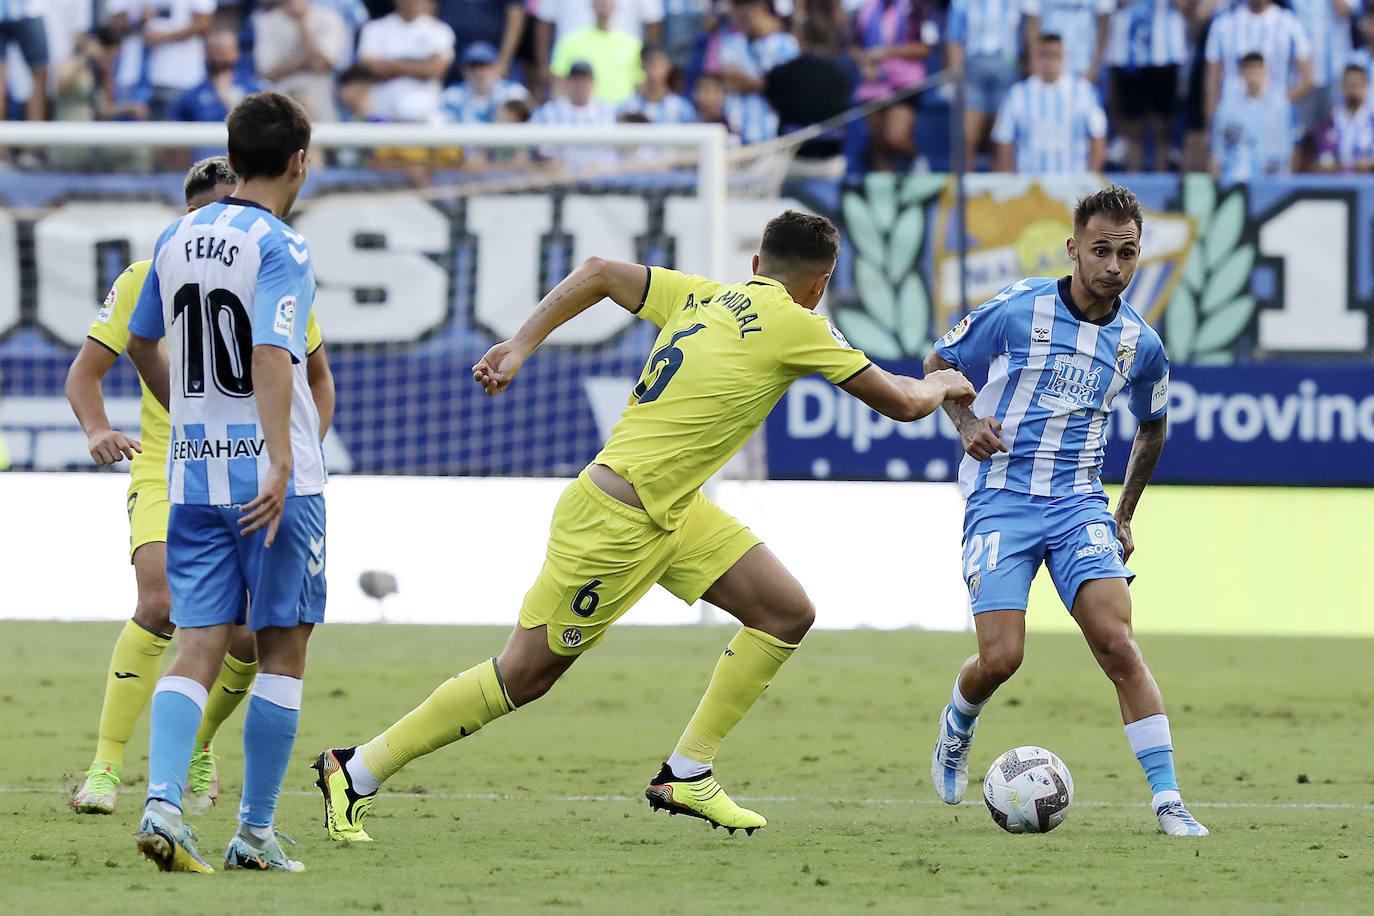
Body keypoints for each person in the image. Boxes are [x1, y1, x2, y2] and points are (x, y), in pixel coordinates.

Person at [311, 210, 976, 843]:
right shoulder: (798, 323)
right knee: (524, 675)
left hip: (673, 507)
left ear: (754, 263)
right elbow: (902, 401)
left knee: (784, 611)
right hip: (617, 523)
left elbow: (599, 270)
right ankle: (355, 770)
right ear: (819, 285)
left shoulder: (703, 295)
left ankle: (687, 772)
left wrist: (520, 343)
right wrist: (946, 384)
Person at [924, 184, 1210, 839]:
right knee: (1001, 658)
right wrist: (965, 420)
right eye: (1102, 251)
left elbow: (1153, 427)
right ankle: (956, 725)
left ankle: (1169, 801)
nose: (1115, 266)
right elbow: (939, 362)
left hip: (1079, 504)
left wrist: (1125, 512)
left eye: (1128, 253)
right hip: (1001, 496)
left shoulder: (1141, 343)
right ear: (1074, 249)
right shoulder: (1019, 308)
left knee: (1118, 645)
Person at [67, 156, 330, 818]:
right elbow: (92, 368)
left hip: (261, 468)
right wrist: (100, 427)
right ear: (191, 215)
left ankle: (200, 745)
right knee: (161, 601)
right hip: (171, 462)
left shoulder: (273, 269)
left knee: (246, 637)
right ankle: (105, 765)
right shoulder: (148, 272)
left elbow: (317, 376)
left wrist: (295, 455)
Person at [125, 91, 328, 873]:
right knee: (282, 646)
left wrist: (188, 409)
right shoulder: (284, 246)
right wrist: (278, 460)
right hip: (277, 485)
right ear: (298, 162)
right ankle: (254, 830)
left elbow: (142, 342)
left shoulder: (176, 236)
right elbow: (273, 355)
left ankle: (164, 805)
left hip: (194, 473)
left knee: (198, 640)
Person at [992, 33, 1108, 173]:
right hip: (1030, 187)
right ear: (1035, 57)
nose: (1049, 61)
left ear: (1064, 57)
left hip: (1074, 186)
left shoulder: (1085, 93)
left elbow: (1098, 137)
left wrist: (1091, 181)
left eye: (1054, 55)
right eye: (1044, 55)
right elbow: (1004, 141)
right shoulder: (1017, 95)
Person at [852, 0, 939, 172]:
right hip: (873, 85)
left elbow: (925, 48)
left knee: (895, 137)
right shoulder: (866, 8)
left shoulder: (916, 7)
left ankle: (918, 164)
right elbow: (854, 46)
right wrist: (865, 63)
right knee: (878, 145)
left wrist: (885, 52)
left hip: (906, 82)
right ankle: (883, 194)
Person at [1107, 0, 1191, 172]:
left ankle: (1160, 187)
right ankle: (1130, 193)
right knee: (1132, 132)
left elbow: (1186, 8)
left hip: (1165, 56)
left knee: (1163, 132)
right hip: (1128, 55)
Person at [1204, 0, 1313, 129]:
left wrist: (1278, 105)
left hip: (1274, 120)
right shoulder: (1223, 23)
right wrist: (1211, 122)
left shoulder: (1290, 23)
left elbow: (1307, 79)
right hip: (1232, 118)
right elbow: (1212, 80)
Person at [944, 0, 1023, 171]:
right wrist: (956, 76)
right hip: (973, 69)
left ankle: (1001, 191)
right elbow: (953, 39)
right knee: (968, 134)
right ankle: (962, 193)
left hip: (1008, 69)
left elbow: (1029, 30)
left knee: (1003, 137)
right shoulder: (961, 3)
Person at [357, 0, 456, 122]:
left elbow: (436, 69)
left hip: (425, 117)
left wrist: (390, 65)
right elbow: (370, 69)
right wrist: (418, 65)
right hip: (382, 115)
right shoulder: (374, 29)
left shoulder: (440, 30)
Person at [715, 0, 800, 144]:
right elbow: (729, 81)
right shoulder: (731, 42)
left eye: (744, 7)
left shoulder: (786, 44)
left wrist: (764, 84)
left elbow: (784, 88)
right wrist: (765, 83)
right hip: (736, 134)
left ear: (760, 9)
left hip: (771, 133)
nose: (739, 14)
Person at [254, 0, 349, 123]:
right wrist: (306, 62)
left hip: (321, 104)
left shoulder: (329, 18)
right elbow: (267, 72)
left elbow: (324, 63)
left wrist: (302, 23)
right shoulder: (265, 22)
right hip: (282, 105)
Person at [1210, 52, 1297, 182]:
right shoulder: (1226, 110)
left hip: (1270, 178)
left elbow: (1291, 149)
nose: (1253, 74)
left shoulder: (1281, 109)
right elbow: (1217, 152)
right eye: (1248, 68)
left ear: (1265, 71)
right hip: (1234, 178)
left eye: (1257, 68)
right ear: (1241, 72)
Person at [531, 60, 620, 171]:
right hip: (558, 181)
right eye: (575, 79)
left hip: (601, 180)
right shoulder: (548, 112)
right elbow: (537, 153)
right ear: (567, 82)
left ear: (593, 81)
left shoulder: (609, 112)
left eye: (584, 79)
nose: (580, 83)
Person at [550, 0, 644, 103]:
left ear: (615, 5)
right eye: (600, 2)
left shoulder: (633, 45)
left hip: (623, 113)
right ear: (592, 4)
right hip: (583, 113)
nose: (604, 5)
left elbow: (640, 85)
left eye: (608, 2)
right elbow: (558, 85)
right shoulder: (569, 42)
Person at [1021, 0, 1112, 82]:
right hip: (1048, 63)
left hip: (1083, 65)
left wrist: (1095, 67)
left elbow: (1104, 23)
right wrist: (1035, 63)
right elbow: (1032, 21)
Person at [440, 41, 530, 123]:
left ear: (497, 68)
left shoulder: (514, 92)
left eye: (484, 66)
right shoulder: (451, 95)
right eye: (473, 67)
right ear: (464, 70)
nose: (479, 72)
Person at [1313, 63, 1374, 172]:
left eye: (1356, 85)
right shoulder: (1328, 124)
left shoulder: (1371, 123)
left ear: (1366, 86)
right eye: (1348, 85)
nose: (1352, 90)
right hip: (1336, 186)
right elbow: (1321, 163)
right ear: (1341, 87)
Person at [0, 0, 51, 121]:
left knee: (39, 76)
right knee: (38, 76)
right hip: (29, 10)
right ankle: (34, 135)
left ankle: (33, 135)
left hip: (28, 10)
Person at [621, 44, 696, 123]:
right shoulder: (628, 107)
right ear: (643, 66)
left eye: (660, 64)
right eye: (651, 64)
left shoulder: (683, 108)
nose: (655, 69)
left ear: (668, 66)